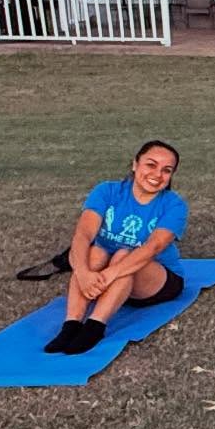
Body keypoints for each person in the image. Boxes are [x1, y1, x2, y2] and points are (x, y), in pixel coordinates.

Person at [43, 140, 188, 355]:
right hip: (110, 279)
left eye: (166, 170)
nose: (157, 174)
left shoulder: (174, 204)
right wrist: (82, 273)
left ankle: (95, 327)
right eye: (151, 165)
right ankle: (71, 325)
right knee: (95, 252)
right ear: (135, 164)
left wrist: (108, 275)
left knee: (122, 254)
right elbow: (83, 234)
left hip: (155, 280)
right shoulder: (107, 191)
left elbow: (153, 247)